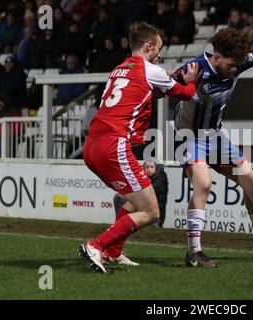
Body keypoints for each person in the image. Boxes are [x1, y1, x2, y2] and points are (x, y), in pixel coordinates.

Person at [172, 27, 253, 267]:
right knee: (203, 183)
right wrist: (187, 86)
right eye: (231, 64)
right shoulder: (192, 69)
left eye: (238, 64)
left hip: (215, 137)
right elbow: (162, 89)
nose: (235, 69)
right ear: (217, 57)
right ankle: (194, 252)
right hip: (189, 136)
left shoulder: (238, 62)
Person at [78, 21, 200, 273]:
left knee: (134, 202)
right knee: (152, 211)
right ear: (148, 46)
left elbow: (142, 94)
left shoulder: (118, 69)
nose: (160, 55)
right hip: (114, 144)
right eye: (158, 49)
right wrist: (192, 81)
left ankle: (113, 251)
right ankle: (96, 246)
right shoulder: (149, 69)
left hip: (92, 146)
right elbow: (186, 94)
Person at [113, 159, 169, 229]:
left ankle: (122, 225)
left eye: (152, 167)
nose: (149, 169)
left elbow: (145, 193)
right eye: (147, 167)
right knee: (118, 197)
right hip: (142, 209)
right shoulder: (142, 176)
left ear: (156, 167)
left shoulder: (160, 177)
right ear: (144, 169)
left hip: (153, 217)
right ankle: (119, 224)